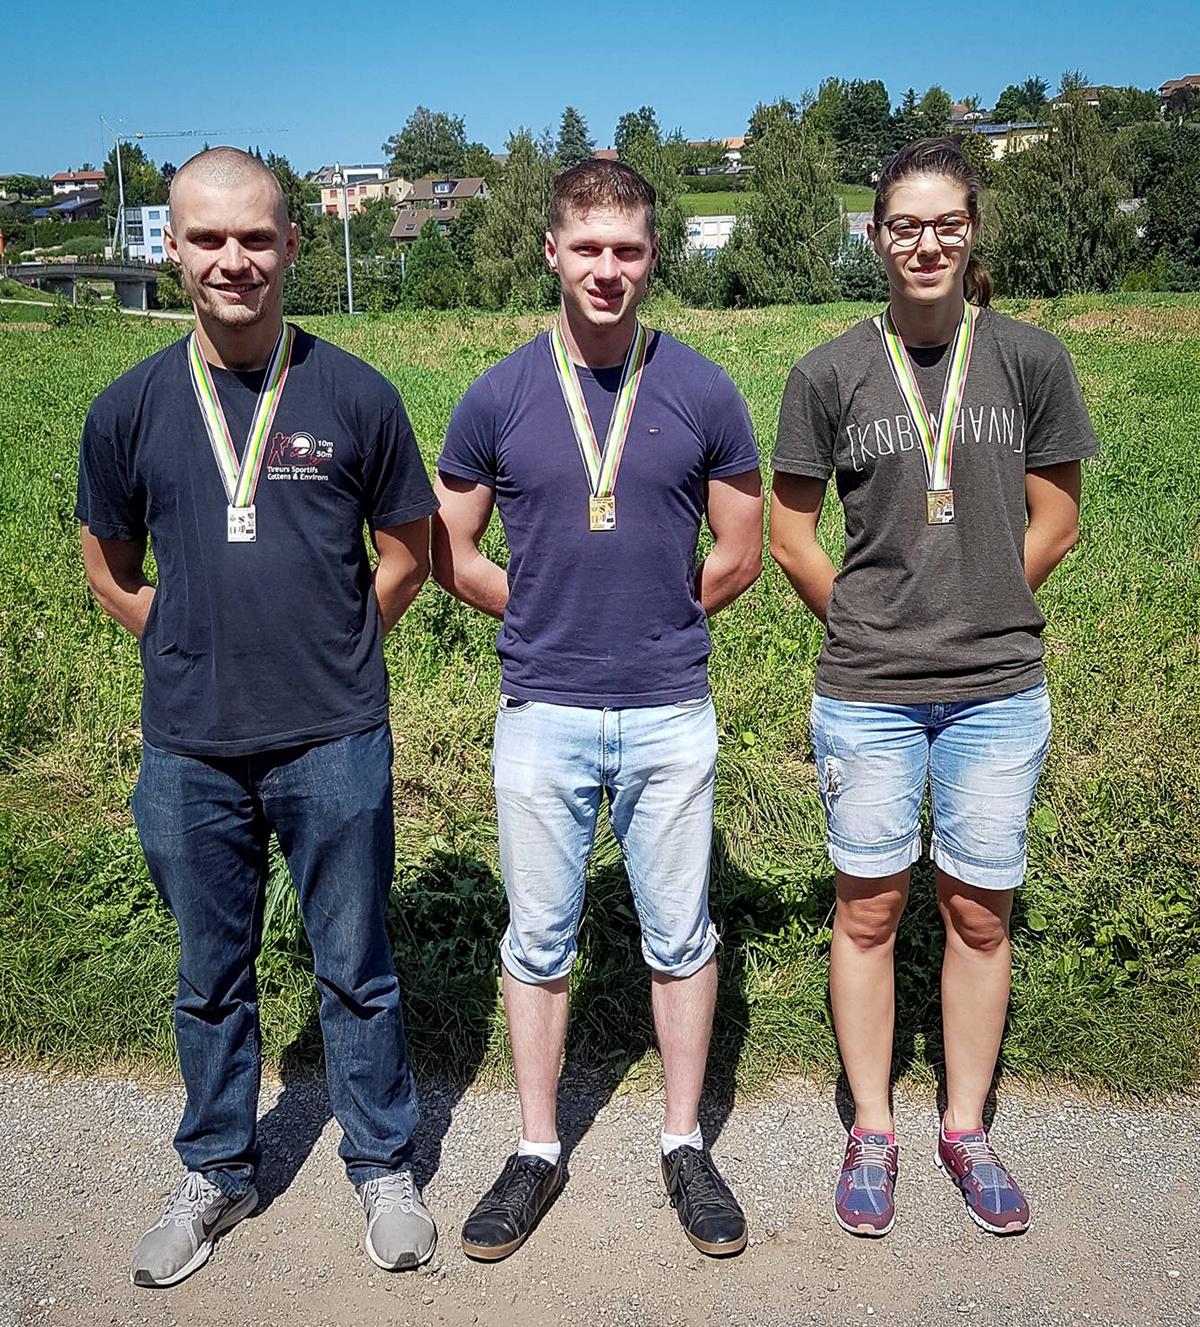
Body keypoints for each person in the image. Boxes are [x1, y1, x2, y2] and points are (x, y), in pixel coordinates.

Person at [75, 148, 439, 1287]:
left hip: (335, 736)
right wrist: (185, 640)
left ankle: (382, 1162)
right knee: (207, 976)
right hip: (190, 746)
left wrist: (332, 644)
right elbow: (109, 566)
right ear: (174, 250)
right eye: (207, 238)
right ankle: (217, 1167)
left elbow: (408, 552)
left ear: (290, 244)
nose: (233, 259)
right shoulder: (129, 408)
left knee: (356, 964)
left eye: (255, 237)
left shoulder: (356, 394)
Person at [432, 160, 763, 1261]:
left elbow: (742, 548)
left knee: (680, 933)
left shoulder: (704, 388)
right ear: (552, 252)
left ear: (652, 255)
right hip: (542, 706)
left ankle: (684, 1142)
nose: (607, 269)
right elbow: (451, 548)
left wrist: (662, 615)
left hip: (669, 708)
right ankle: (536, 1148)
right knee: (538, 937)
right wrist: (537, 611)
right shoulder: (498, 394)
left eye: (626, 249)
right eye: (588, 248)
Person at [769, 138, 1097, 1239]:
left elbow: (1058, 517)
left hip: (997, 687)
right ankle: (873, 1126)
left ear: (972, 231)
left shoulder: (1031, 359)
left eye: (946, 223)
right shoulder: (827, 373)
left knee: (978, 910)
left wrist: (982, 599)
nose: (926, 243)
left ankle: (966, 1127)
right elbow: (791, 534)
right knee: (868, 909)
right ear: (875, 238)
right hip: (867, 689)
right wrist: (872, 620)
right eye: (905, 226)